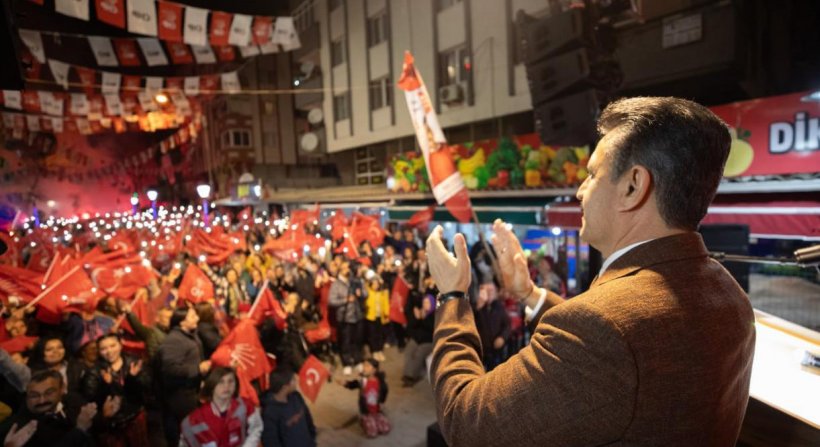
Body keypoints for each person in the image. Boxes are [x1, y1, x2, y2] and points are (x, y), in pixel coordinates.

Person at [424, 97, 756, 446]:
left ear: (633, 186)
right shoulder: (729, 295)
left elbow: (465, 422)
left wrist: (452, 295)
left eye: (592, 174)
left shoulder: (606, 330)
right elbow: (618, 355)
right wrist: (529, 293)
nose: (580, 191)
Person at [80, 334, 150, 446]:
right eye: (103, 349)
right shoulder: (94, 372)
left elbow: (145, 389)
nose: (109, 351)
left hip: (134, 417)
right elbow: (91, 398)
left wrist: (132, 379)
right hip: (111, 424)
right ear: (99, 351)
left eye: (113, 346)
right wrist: (106, 386)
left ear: (120, 345)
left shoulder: (134, 362)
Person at [156, 306, 211, 446]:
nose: (197, 319)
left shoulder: (191, 335)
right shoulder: (174, 340)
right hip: (181, 396)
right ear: (182, 322)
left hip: (192, 391)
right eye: (192, 317)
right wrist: (197, 369)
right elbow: (169, 369)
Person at [0, 369, 97, 447]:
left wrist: (106, 416)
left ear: (62, 389)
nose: (42, 400)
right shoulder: (16, 429)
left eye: (49, 393)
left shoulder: (74, 402)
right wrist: (80, 430)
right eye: (34, 396)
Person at [180, 367, 262, 447]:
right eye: (221, 382)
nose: (226, 386)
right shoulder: (194, 420)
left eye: (230, 381)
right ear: (211, 386)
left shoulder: (245, 406)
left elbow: (256, 429)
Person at [260, 369, 316, 447]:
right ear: (285, 387)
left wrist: (312, 441)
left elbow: (308, 419)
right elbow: (271, 441)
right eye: (293, 380)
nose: (296, 381)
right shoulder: (269, 412)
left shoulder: (296, 397)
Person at [337, 358, 390, 438]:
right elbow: (353, 384)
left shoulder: (380, 382)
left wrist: (382, 403)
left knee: (385, 429)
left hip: (377, 410)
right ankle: (363, 420)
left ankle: (374, 419)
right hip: (366, 411)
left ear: (374, 370)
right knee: (372, 433)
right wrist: (345, 383)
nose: (364, 368)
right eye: (364, 365)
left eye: (367, 366)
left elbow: (385, 391)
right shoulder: (363, 381)